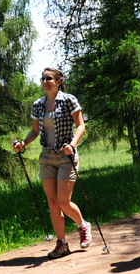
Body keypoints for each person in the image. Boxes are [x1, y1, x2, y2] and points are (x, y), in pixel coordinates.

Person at [13, 68, 92, 259]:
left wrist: (72, 145)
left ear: (58, 81)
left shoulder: (68, 100)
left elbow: (81, 125)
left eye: (49, 78)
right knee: (53, 202)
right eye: (43, 79)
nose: (45, 81)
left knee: (64, 201)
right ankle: (62, 243)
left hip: (66, 155)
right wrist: (23, 143)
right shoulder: (38, 105)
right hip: (47, 157)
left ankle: (83, 225)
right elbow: (34, 131)